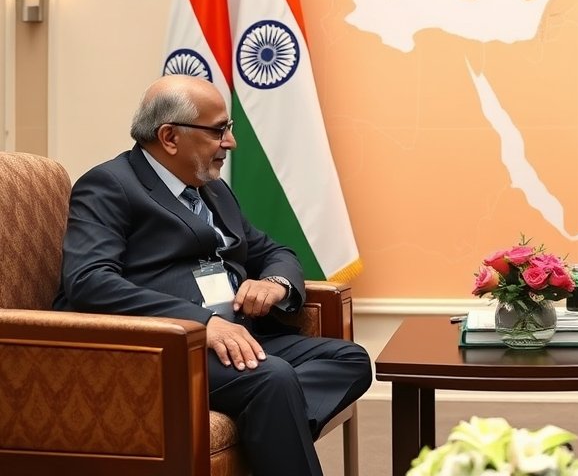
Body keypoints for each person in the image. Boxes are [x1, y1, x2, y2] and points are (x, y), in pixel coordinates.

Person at [54, 74, 372, 476]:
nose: (231, 142)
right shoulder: (109, 185)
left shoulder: (213, 189)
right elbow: (89, 281)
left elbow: (274, 251)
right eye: (219, 130)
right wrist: (202, 324)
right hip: (167, 350)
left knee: (349, 357)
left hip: (240, 337)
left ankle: (271, 424)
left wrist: (273, 283)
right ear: (170, 136)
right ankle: (273, 420)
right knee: (273, 380)